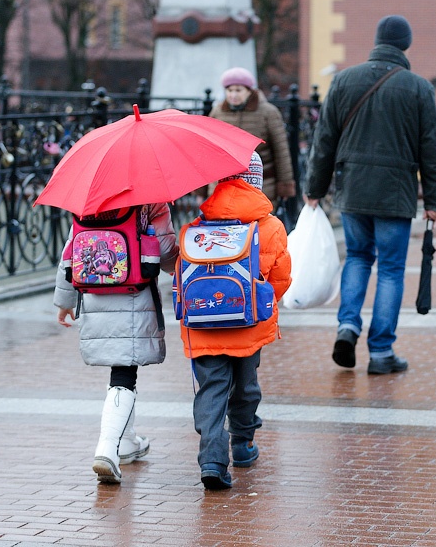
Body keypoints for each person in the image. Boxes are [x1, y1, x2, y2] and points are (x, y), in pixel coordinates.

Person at [304, 14, 436, 375]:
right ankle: (381, 352)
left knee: (356, 258)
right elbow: (430, 148)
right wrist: (435, 199)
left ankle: (347, 326)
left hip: (352, 190)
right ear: (406, 44)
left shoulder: (344, 81)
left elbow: (324, 142)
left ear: (376, 42)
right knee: (390, 269)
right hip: (395, 194)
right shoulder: (418, 88)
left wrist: (314, 190)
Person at [179, 152, 292, 490]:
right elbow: (281, 279)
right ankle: (243, 445)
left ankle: (212, 461)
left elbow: (179, 277)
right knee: (245, 386)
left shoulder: (195, 227)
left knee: (212, 391)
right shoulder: (270, 226)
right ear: (256, 182)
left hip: (201, 326)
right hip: (248, 325)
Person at [54, 204, 178, 483]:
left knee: (120, 370)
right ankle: (107, 448)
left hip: (95, 292)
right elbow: (166, 252)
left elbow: (70, 250)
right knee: (124, 372)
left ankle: (126, 441)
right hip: (134, 293)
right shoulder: (151, 198)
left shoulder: (89, 200)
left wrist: (63, 301)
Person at [209, 67, 296, 210]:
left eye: (238, 90)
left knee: (257, 227)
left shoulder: (268, 112)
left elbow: (281, 152)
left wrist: (284, 185)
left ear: (249, 91)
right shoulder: (218, 112)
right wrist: (201, 189)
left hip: (260, 184)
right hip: (222, 185)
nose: (233, 95)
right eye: (230, 90)